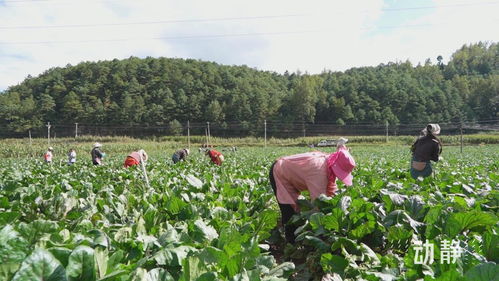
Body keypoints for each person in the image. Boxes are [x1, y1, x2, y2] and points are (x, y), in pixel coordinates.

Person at [269, 137, 355, 243]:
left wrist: (338, 207)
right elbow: (318, 203)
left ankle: (295, 238)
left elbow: (331, 191)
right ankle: (290, 242)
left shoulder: (328, 163)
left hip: (291, 174)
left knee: (298, 212)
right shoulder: (318, 170)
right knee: (290, 211)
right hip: (279, 172)